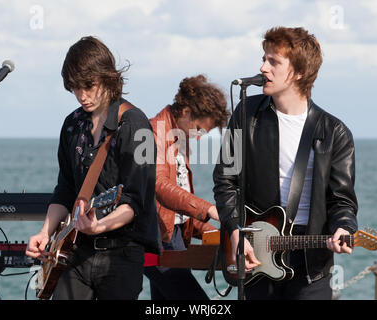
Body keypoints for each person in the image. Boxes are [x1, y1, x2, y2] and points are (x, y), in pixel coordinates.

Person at [213, 26, 358, 300]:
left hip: (310, 263)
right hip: (257, 251)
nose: (262, 67)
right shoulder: (245, 114)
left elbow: (342, 201)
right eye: (264, 58)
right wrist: (235, 230)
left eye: (273, 61)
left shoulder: (334, 132)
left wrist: (344, 227)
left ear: (299, 73)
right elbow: (225, 180)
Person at [25, 36, 161, 300]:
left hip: (121, 254)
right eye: (74, 88)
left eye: (88, 86)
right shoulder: (72, 124)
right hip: (75, 252)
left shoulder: (137, 125)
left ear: (108, 78)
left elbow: (136, 201)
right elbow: (65, 189)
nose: (81, 95)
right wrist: (44, 232)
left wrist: (100, 226)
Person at [144, 74, 229, 300]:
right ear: (186, 112)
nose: (200, 138)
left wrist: (208, 230)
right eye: (200, 129)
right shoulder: (154, 133)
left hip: (173, 236)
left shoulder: (179, 137)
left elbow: (178, 205)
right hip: (155, 239)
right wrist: (210, 210)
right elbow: (159, 186)